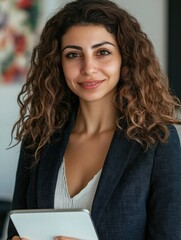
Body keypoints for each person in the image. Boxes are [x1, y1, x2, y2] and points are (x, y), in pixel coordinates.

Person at [7, 0, 181, 239]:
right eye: (73, 54)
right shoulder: (39, 137)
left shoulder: (156, 140)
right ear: (59, 64)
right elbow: (16, 230)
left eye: (102, 52)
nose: (88, 68)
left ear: (125, 59)